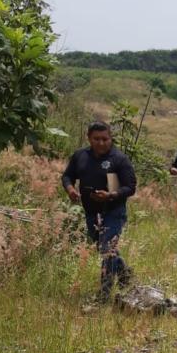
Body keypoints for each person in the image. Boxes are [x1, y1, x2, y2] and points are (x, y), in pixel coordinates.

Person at [62, 121, 137, 301]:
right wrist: (70, 189)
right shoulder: (80, 156)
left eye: (105, 139)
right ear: (89, 138)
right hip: (91, 212)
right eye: (96, 139)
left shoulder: (119, 159)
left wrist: (111, 195)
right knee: (103, 248)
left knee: (107, 249)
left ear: (111, 138)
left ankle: (104, 294)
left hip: (113, 211)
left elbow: (130, 187)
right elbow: (67, 176)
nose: (101, 143)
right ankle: (125, 274)